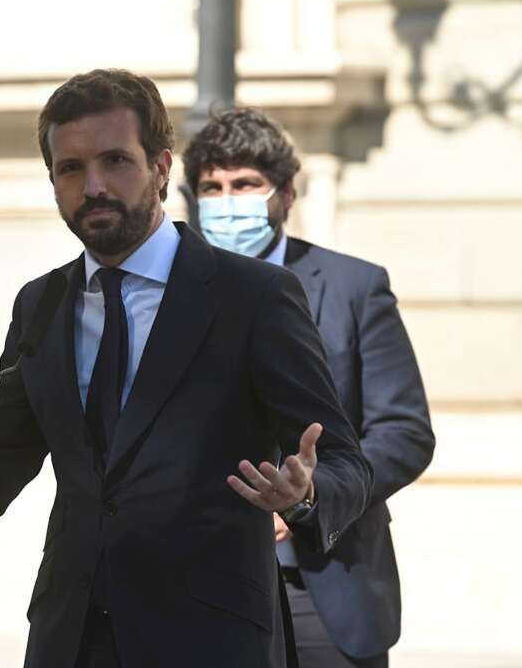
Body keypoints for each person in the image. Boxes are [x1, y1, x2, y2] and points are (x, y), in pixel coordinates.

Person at [0, 69, 371, 668]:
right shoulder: (42, 305)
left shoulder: (252, 296)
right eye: (70, 169)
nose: (93, 185)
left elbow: (344, 463)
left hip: (210, 639)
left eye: (114, 161)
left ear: (159, 166)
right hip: (70, 640)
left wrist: (304, 496)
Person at [182, 106, 435, 668]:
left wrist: (311, 494)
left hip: (325, 579)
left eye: (246, 184)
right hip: (204, 585)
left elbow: (405, 431)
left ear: (286, 194)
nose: (228, 200)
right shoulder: (171, 295)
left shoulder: (354, 286)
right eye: (212, 187)